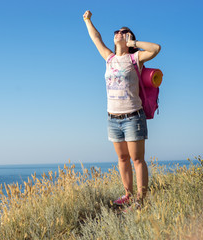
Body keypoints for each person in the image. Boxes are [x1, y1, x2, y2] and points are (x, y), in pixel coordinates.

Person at [83, 10, 161, 207]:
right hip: (112, 118)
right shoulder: (109, 58)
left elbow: (156, 48)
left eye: (125, 32)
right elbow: (96, 38)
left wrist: (133, 44)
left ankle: (141, 200)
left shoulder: (135, 59)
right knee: (123, 159)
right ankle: (128, 195)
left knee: (137, 160)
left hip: (133, 116)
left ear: (130, 39)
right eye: (117, 31)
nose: (119, 33)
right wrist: (87, 20)